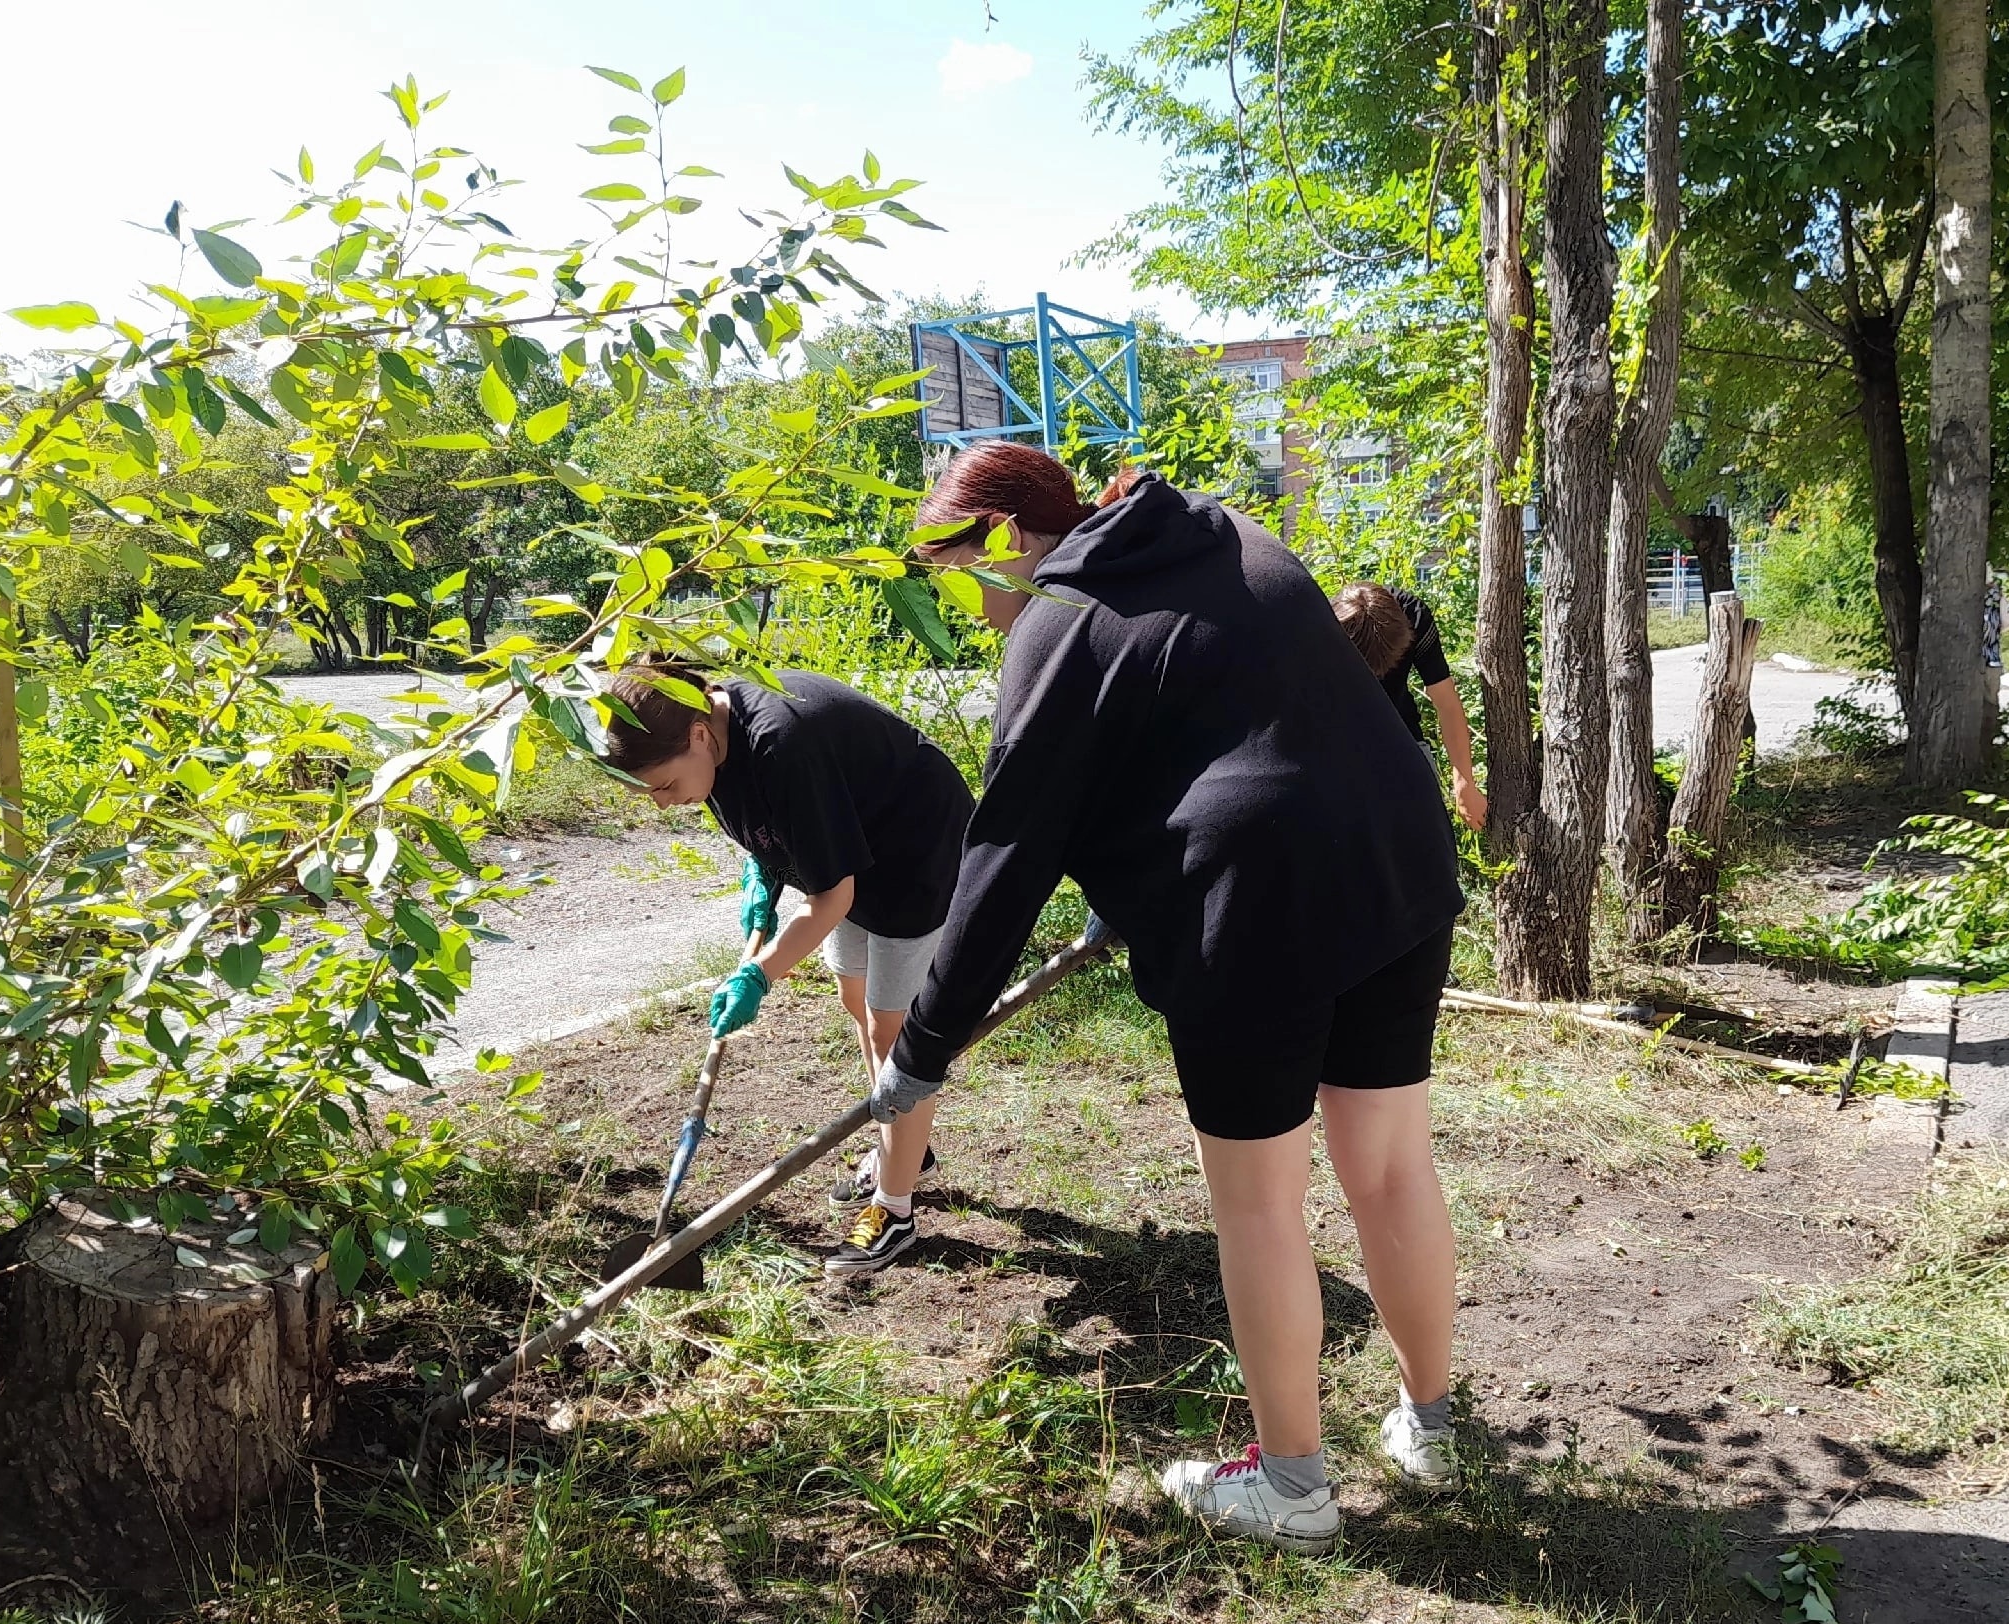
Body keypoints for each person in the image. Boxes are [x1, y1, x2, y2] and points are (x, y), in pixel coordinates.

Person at [876, 440, 1466, 1556]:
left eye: (947, 569)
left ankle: (1292, 1487)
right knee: (1390, 1163)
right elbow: (1217, 725)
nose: (953, 603)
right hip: (1394, 862)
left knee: (1258, 1203)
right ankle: (1428, 1428)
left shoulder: (1058, 621)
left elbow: (1008, 850)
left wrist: (925, 1046)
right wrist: (1136, 888)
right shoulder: (1226, 536)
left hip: (1256, 909)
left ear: (1004, 540)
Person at [598, 663, 974, 1277]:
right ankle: (906, 1146)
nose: (665, 804)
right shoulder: (712, 735)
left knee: (894, 1029)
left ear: (697, 735)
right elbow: (780, 819)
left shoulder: (782, 742)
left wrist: (760, 974)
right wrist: (765, 866)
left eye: (665, 787)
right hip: (848, 854)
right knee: (855, 996)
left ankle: (895, 1209)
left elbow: (833, 899)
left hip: (914, 855)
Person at [1329, 581, 1488, 832]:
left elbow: (1446, 704)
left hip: (1404, 738)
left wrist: (1464, 781)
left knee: (1426, 836)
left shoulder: (1414, 616)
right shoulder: (1320, 629)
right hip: (1341, 742)